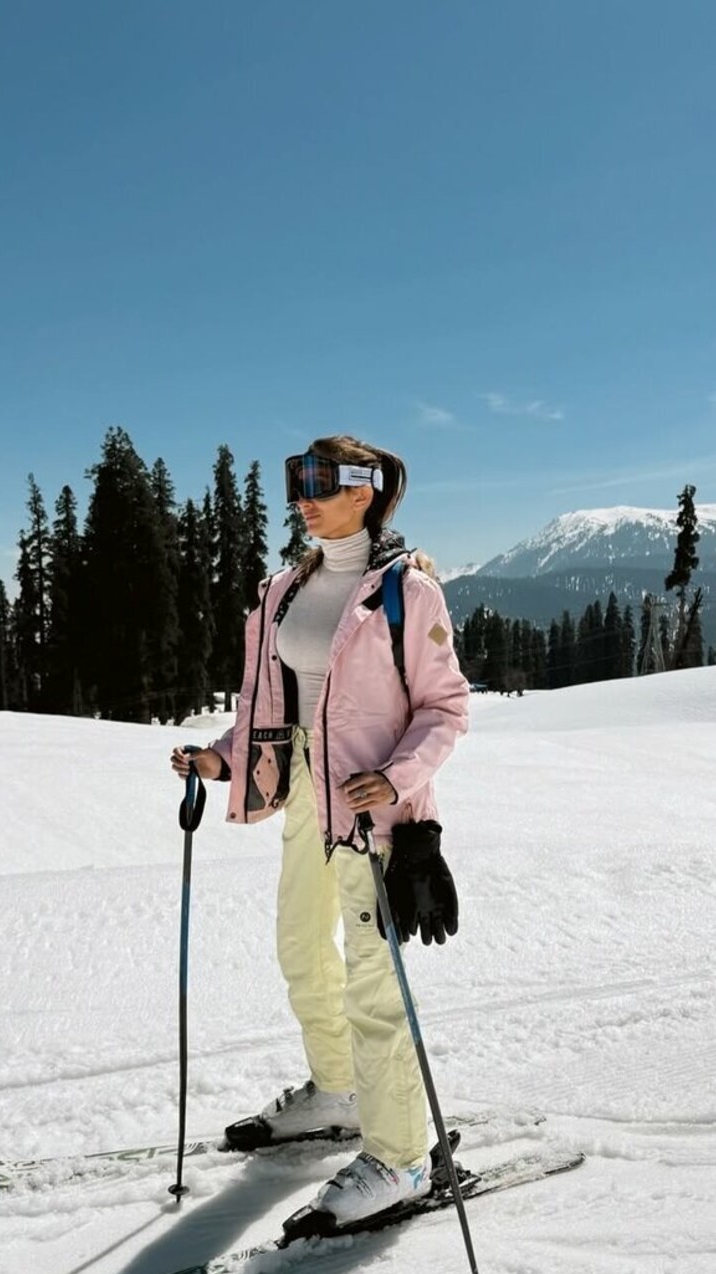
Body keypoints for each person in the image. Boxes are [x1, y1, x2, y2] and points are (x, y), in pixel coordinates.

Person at [171, 435, 469, 1227]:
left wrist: (399, 778)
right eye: (296, 481)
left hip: (370, 803)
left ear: (364, 490)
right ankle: (338, 1092)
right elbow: (268, 706)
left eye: (320, 482)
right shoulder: (284, 590)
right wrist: (223, 758)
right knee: (301, 945)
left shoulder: (407, 591)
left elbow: (446, 708)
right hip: (304, 788)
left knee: (374, 978)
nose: (303, 497)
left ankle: (402, 1157)